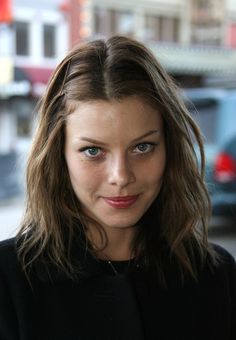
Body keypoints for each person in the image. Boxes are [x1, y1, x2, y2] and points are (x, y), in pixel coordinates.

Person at [0, 35, 235, 340]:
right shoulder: (9, 282)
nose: (121, 176)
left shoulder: (215, 276)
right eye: (93, 151)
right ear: (59, 155)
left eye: (143, 147)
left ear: (170, 149)